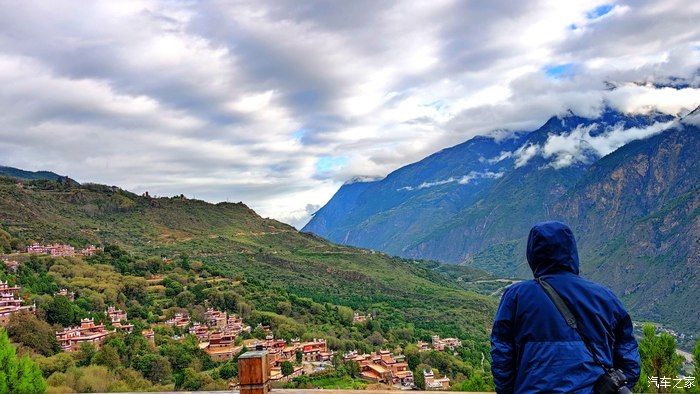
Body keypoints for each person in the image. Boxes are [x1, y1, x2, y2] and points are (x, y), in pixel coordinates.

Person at [490, 221, 640, 393]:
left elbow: (501, 354)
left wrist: (508, 391)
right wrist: (613, 386)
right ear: (571, 251)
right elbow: (628, 355)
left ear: (533, 253)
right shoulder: (605, 298)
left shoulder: (516, 297)